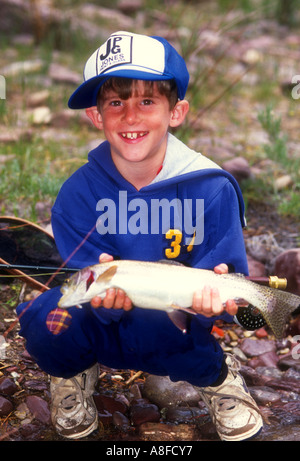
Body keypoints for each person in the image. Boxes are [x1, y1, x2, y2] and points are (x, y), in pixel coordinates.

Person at [17, 31, 263, 441]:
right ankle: (73, 372)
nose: (130, 117)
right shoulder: (77, 194)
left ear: (176, 112)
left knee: (162, 323)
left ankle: (216, 376)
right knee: (45, 318)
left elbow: (230, 283)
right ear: (96, 117)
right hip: (100, 315)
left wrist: (214, 307)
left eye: (147, 101)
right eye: (116, 103)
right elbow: (81, 278)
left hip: (174, 323)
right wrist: (103, 301)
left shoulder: (212, 188)